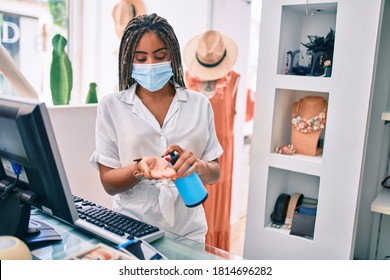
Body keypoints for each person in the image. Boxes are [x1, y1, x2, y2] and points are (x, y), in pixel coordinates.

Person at [90, 13, 223, 244]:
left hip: (188, 230)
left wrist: (199, 165)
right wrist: (139, 168)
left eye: (159, 56)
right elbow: (109, 183)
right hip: (132, 228)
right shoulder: (112, 105)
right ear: (128, 61)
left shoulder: (199, 104)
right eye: (140, 59)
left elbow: (215, 173)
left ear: (172, 54)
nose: (150, 66)